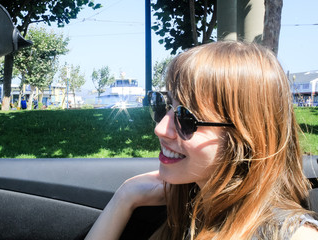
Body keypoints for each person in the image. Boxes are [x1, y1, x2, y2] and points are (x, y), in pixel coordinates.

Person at [85, 41, 318, 240]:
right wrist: (126, 195)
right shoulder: (193, 212)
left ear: (245, 138)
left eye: (186, 118)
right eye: (164, 105)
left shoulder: (293, 235)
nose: (160, 129)